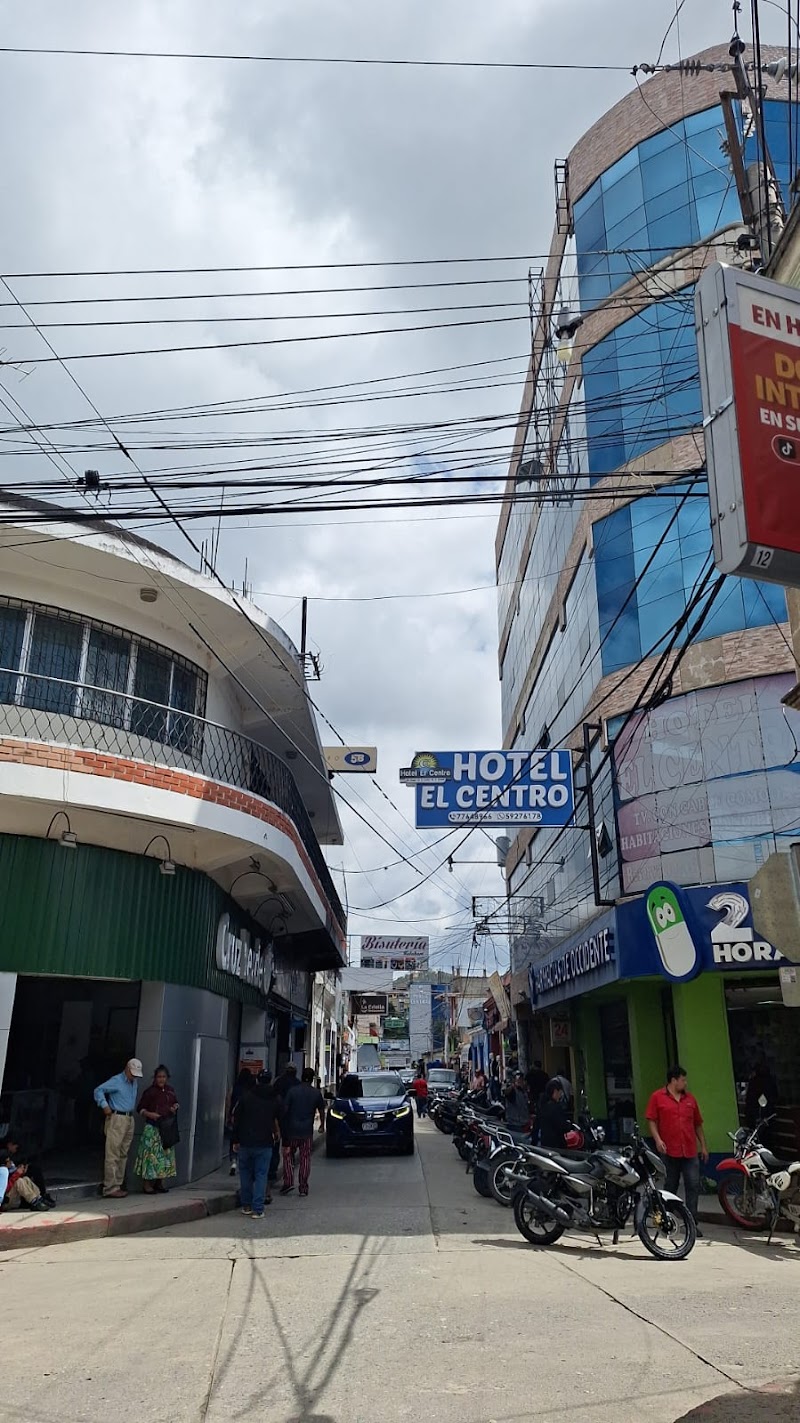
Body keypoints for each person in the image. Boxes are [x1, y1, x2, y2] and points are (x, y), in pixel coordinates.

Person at [646, 1065, 708, 1236]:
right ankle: (667, 1220)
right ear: (673, 1080)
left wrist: (703, 1146)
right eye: (682, 1080)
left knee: (693, 1185)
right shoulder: (658, 1097)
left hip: (689, 1150)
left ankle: (692, 1223)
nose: (685, 1083)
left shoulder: (690, 1100)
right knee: (670, 1186)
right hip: (669, 1150)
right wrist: (658, 1139)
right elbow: (651, 1120)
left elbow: (697, 1124)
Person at [231, 1069, 281, 1218]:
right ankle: (258, 1209)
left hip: (246, 1142)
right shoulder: (274, 1098)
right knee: (261, 1175)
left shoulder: (247, 1097)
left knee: (245, 1174)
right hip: (264, 1142)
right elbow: (281, 1116)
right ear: (270, 1080)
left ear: (258, 1080)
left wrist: (235, 1140)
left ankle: (246, 1205)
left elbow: (236, 1119)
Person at [93, 1057, 144, 1198]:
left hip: (129, 1118)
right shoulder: (117, 1080)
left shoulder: (134, 1082)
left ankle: (118, 1184)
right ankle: (110, 1187)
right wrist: (104, 1105)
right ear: (127, 1069)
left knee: (123, 1153)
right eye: (132, 1073)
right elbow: (98, 1090)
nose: (134, 1077)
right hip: (117, 1117)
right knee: (113, 1153)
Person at [133, 1065, 179, 1194]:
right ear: (155, 1078)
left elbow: (176, 1103)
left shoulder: (170, 1091)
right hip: (152, 1128)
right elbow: (140, 1108)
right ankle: (147, 1185)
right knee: (150, 1156)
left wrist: (174, 1107)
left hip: (166, 1128)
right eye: (159, 1077)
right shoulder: (150, 1092)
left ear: (167, 1078)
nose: (161, 1079)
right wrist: (150, 1114)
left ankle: (160, 1183)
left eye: (164, 1077)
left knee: (164, 1156)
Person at [280, 1067, 325, 1198]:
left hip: (291, 1130)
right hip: (306, 1131)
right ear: (312, 1079)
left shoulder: (292, 1091)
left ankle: (288, 1181)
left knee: (288, 1156)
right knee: (305, 1158)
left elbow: (285, 1110)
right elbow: (322, 1110)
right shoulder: (316, 1093)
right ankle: (303, 1187)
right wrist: (322, 1125)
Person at [0, 1136, 55, 1207]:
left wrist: (20, 1171)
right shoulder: (3, 1171)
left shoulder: (7, 1168)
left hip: (8, 1197)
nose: (11, 1162)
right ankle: (34, 1202)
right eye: (8, 1161)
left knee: (25, 1178)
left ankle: (39, 1198)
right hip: (3, 1203)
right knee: (19, 1181)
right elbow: (4, 1189)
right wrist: (17, 1174)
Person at [226, 1069, 254, 1176]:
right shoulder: (250, 1090)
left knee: (234, 1139)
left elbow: (228, 1101)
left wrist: (228, 1116)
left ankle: (233, 1162)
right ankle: (244, 1162)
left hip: (235, 1118)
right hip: (246, 1119)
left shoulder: (235, 1087)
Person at [538, 1079, 572, 1148]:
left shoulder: (543, 1106)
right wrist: (569, 1126)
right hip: (556, 1144)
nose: (560, 1095)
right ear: (555, 1091)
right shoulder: (555, 1107)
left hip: (545, 1143)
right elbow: (562, 1125)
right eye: (560, 1092)